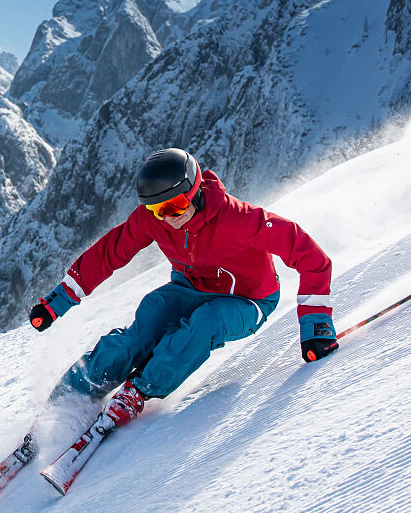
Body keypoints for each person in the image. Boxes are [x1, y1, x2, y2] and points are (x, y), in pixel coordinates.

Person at [29, 148, 337, 427]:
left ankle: (140, 390)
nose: (167, 218)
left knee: (204, 323)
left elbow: (310, 256)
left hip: (247, 299)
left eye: (174, 206)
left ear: (195, 191)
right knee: (148, 319)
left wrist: (316, 324)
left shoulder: (239, 220)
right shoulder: (157, 220)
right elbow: (111, 251)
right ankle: (70, 398)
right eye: (155, 209)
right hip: (189, 287)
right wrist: (59, 300)